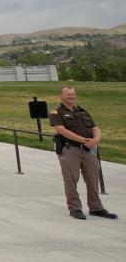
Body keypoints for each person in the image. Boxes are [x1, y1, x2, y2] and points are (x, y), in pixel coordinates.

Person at [49, 86, 117, 220]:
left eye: (73, 94)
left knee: (93, 179)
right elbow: (61, 130)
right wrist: (83, 140)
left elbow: (94, 128)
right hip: (70, 150)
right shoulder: (56, 112)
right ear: (61, 96)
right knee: (71, 180)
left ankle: (96, 208)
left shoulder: (82, 111)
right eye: (68, 94)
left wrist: (96, 140)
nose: (71, 96)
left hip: (88, 150)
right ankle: (75, 208)